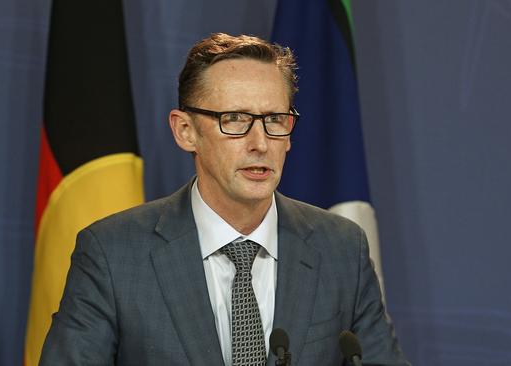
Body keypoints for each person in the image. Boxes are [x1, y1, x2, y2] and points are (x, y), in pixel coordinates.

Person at [40, 33, 410, 366]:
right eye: (235, 119)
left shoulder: (341, 249)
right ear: (185, 131)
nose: (260, 143)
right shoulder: (113, 254)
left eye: (275, 119)